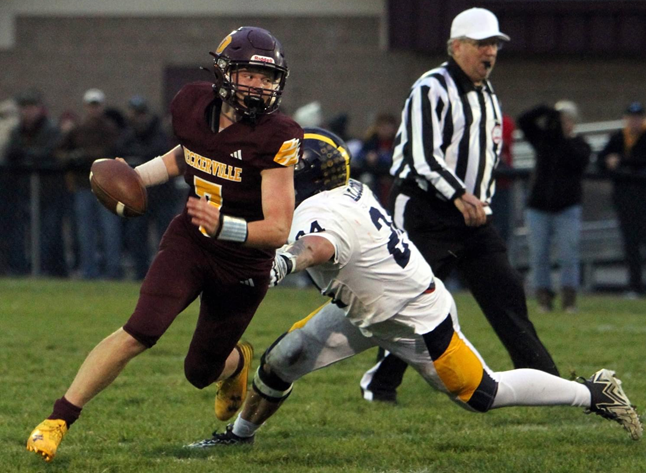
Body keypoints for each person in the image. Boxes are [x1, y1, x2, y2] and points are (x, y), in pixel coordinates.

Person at [186, 128, 642, 448]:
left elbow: (317, 244)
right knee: (284, 357)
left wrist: (285, 261)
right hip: (364, 309)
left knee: (483, 395)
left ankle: (593, 393)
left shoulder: (317, 211)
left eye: (283, 169)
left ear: (304, 175)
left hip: (414, 319)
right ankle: (237, 438)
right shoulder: (350, 190)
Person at [26, 26, 303, 463]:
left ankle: (235, 362)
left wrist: (225, 226)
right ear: (225, 73)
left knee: (200, 371)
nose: (261, 86)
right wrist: (138, 177)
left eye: (269, 78)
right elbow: (186, 154)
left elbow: (279, 229)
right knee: (141, 329)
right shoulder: (192, 103)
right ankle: (57, 420)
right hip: (191, 241)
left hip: (244, 263)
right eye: (250, 75)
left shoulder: (279, 134)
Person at [360, 7, 559, 404]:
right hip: (427, 211)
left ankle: (548, 382)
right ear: (457, 47)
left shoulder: (485, 92)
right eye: (482, 44)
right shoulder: (430, 87)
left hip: (472, 215)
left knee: (507, 295)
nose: (490, 53)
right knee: (412, 302)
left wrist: (477, 199)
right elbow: (419, 155)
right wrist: (458, 193)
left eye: (495, 45)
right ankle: (379, 385)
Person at [518, 101, 591, 312]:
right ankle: (543, 297)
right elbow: (524, 121)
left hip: (567, 208)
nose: (563, 124)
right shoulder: (543, 141)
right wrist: (543, 109)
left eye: (567, 120)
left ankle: (569, 298)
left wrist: (560, 136)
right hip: (538, 207)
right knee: (538, 254)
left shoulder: (580, 144)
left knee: (568, 254)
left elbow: (577, 161)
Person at [57, 88, 123, 279]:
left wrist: (83, 156)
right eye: (91, 105)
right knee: (86, 232)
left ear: (102, 106)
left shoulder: (110, 129)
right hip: (83, 185)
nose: (94, 109)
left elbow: (112, 150)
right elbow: (60, 151)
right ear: (86, 107)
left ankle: (113, 271)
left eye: (97, 105)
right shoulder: (78, 129)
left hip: (107, 187)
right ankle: (89, 271)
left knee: (109, 230)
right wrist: (71, 158)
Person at [3, 89, 67, 277]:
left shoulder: (50, 130)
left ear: (39, 109)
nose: (27, 112)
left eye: (31, 107)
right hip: (23, 190)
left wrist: (28, 156)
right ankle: (22, 268)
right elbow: (12, 153)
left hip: (48, 192)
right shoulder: (17, 131)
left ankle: (46, 269)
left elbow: (51, 152)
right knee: (21, 232)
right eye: (24, 108)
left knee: (48, 232)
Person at [117, 95, 175, 279]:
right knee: (136, 236)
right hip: (139, 197)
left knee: (164, 238)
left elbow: (159, 154)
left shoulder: (158, 133)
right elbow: (117, 153)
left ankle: (164, 274)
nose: (138, 118)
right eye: (135, 114)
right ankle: (141, 274)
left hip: (162, 195)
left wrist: (136, 160)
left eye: (140, 114)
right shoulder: (127, 135)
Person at [597, 102, 646, 298]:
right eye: (631, 117)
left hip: (643, 196)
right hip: (625, 198)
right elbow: (601, 160)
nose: (634, 121)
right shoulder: (618, 137)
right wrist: (610, 163)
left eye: (638, 117)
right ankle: (635, 285)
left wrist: (621, 163)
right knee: (631, 243)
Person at [353, 112, 398, 204]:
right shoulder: (371, 142)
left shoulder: (397, 143)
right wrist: (367, 158)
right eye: (382, 127)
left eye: (388, 128)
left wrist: (380, 158)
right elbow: (359, 159)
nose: (385, 131)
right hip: (375, 179)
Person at [490, 113, 516, 244]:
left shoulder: (505, 122)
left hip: (502, 185)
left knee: (503, 227)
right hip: (480, 187)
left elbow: (501, 143)